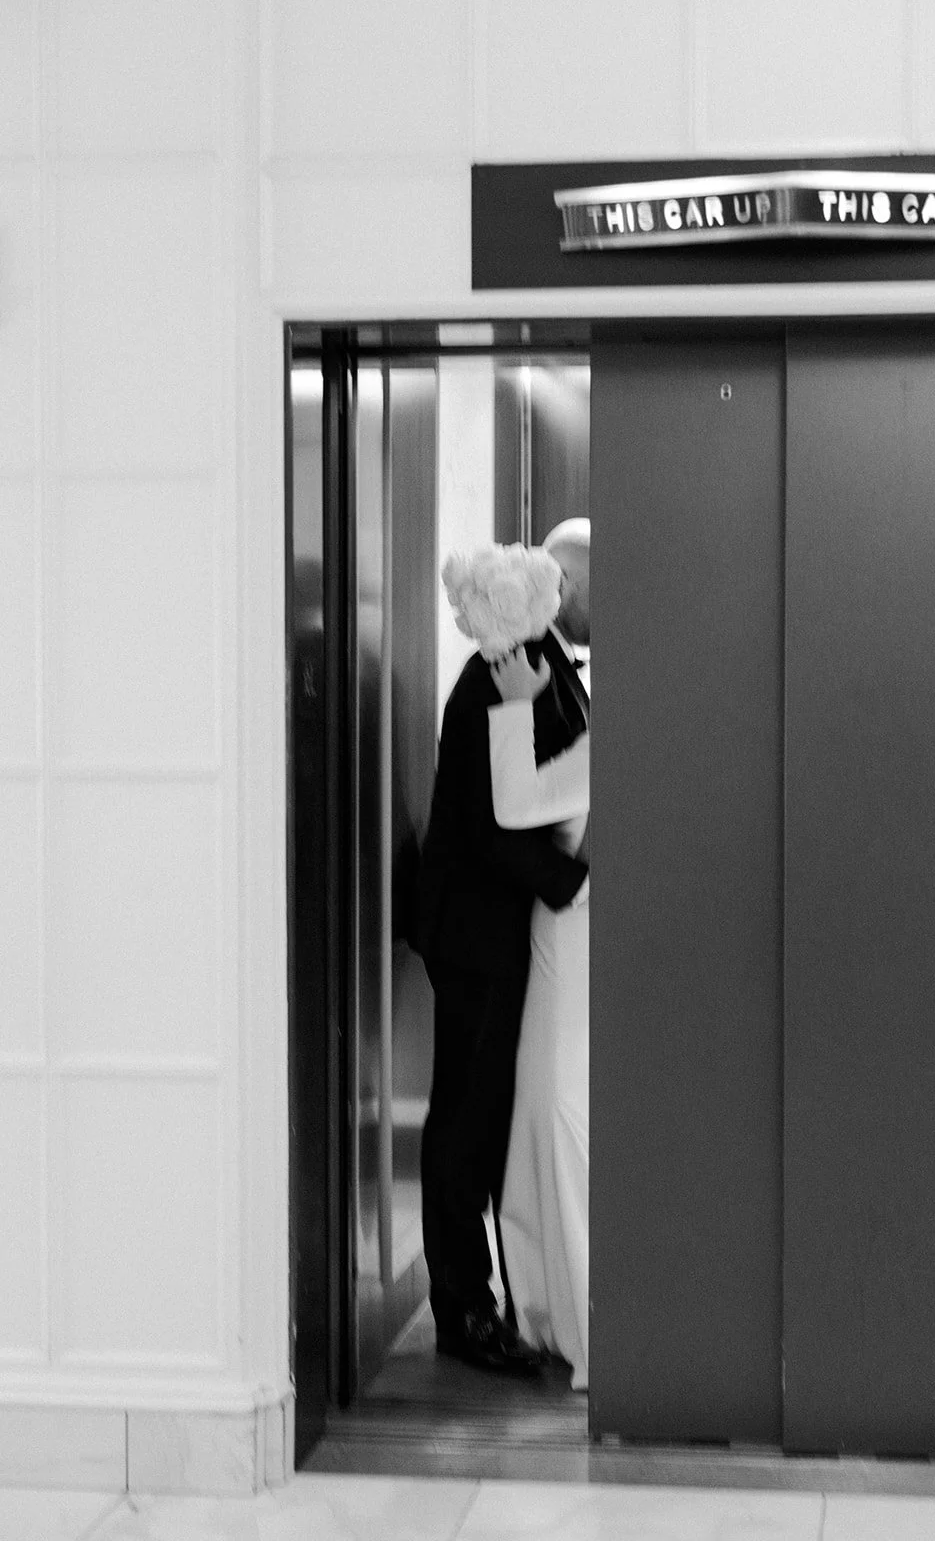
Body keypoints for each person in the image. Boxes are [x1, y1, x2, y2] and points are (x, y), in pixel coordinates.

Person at [416, 521, 591, 1374]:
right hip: (475, 931)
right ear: (564, 584)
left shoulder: (541, 660)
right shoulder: (503, 668)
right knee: (467, 1124)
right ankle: (463, 1313)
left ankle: (501, 1298)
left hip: (501, 927)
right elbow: (495, 820)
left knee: (489, 1117)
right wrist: (576, 882)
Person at [488, 639, 590, 1390]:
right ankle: (544, 1309)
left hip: (574, 934)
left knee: (552, 1111)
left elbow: (517, 805)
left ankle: (569, 1315)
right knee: (540, 1111)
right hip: (569, 930)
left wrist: (517, 705)